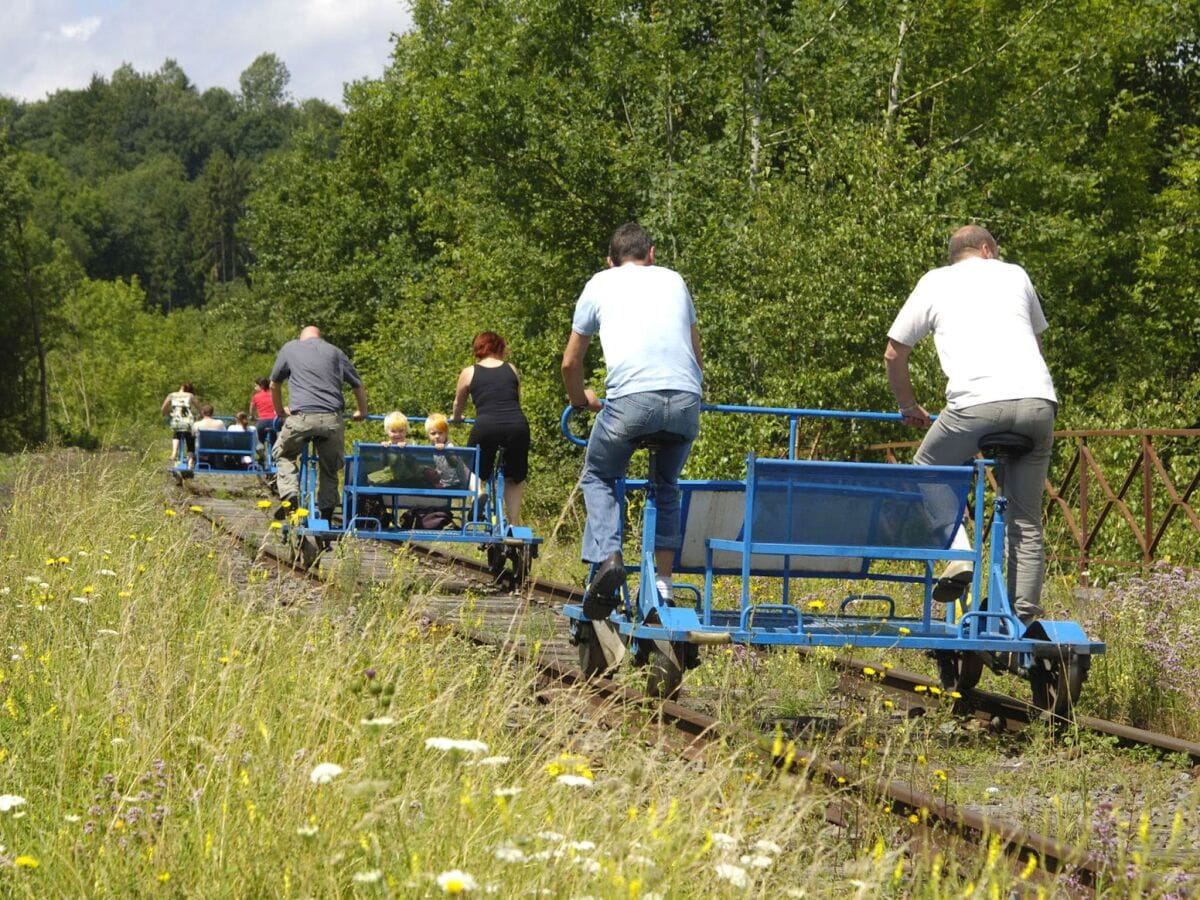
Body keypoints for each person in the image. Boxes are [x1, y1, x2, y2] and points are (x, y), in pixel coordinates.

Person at [884, 224, 1056, 625]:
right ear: (987, 249)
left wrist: (909, 405)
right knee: (1026, 517)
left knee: (928, 469)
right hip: (1039, 403)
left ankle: (960, 555)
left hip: (976, 406)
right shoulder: (1016, 274)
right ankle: (1023, 619)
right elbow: (1037, 344)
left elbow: (894, 353)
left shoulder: (935, 282)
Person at [561, 222, 704, 619]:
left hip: (629, 402)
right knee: (666, 485)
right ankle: (663, 585)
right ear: (652, 254)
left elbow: (571, 362)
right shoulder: (674, 280)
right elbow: (696, 352)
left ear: (610, 261)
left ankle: (609, 559)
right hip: (686, 400)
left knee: (600, 475)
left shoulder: (599, 283)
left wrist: (581, 399)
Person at [270, 325, 368, 522]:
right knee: (330, 467)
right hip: (332, 419)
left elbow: (274, 384)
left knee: (283, 454)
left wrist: (280, 410)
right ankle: (327, 513)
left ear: (301, 337)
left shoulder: (290, 348)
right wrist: (362, 411)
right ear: (320, 337)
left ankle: (290, 494)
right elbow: (357, 384)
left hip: (301, 419)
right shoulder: (335, 352)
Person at [452, 332, 530, 525]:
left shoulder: (469, 372)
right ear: (500, 348)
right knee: (514, 477)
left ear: (478, 348)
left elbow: (457, 404)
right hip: (517, 425)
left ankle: (478, 492)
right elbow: (516, 399)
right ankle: (513, 522)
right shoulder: (511, 369)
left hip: (486, 425)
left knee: (471, 465)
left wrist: (457, 418)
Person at [424, 412, 473, 490]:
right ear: (428, 435)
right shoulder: (432, 447)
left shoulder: (450, 447)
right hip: (442, 483)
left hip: (455, 484)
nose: (437, 436)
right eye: (433, 433)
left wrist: (445, 451)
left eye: (440, 433)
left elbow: (454, 463)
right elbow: (439, 466)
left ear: (446, 433)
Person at [161, 382, 197, 466]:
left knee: (176, 434)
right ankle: (190, 460)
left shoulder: (171, 395)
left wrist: (169, 414)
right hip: (188, 421)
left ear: (182, 386)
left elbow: (163, 408)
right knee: (190, 439)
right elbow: (200, 409)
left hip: (176, 420)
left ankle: (174, 453)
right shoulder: (190, 396)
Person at [249, 378, 278, 456]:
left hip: (262, 421)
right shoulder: (273, 394)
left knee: (259, 441)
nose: (255, 388)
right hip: (274, 422)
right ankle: (273, 458)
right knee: (274, 440)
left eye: (256, 386)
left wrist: (252, 416)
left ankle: (262, 458)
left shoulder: (256, 396)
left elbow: (251, 409)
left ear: (261, 386)